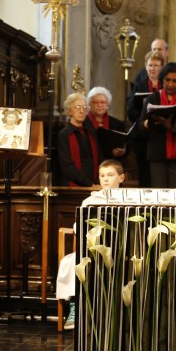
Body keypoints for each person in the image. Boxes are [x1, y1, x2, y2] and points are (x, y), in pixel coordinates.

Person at [56, 159, 126, 331]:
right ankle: (75, 307)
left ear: (121, 178)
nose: (106, 179)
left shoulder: (128, 200)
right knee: (72, 261)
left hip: (120, 248)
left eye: (110, 175)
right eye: (102, 176)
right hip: (93, 249)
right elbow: (78, 225)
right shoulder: (91, 200)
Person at [138, 62, 176, 188]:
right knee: (159, 193)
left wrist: (169, 125)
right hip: (157, 152)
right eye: (167, 80)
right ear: (162, 80)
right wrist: (148, 123)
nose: (171, 84)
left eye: (175, 81)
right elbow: (141, 125)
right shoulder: (153, 98)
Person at [126, 49, 165, 186]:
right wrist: (145, 115)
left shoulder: (166, 86)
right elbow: (130, 112)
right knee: (145, 175)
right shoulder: (139, 86)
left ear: (162, 67)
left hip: (162, 133)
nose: (152, 68)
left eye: (156, 65)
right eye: (149, 65)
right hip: (143, 136)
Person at [58, 93, 99, 186]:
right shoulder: (64, 134)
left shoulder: (90, 133)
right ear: (69, 111)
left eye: (84, 107)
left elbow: (98, 159)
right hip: (75, 186)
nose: (82, 111)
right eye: (77, 107)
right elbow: (67, 167)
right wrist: (88, 184)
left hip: (94, 184)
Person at [86, 86, 126, 159]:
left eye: (103, 102)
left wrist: (122, 151)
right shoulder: (83, 122)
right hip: (89, 163)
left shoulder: (117, 124)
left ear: (107, 104)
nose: (100, 105)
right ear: (89, 104)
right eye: (96, 102)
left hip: (111, 163)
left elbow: (125, 146)